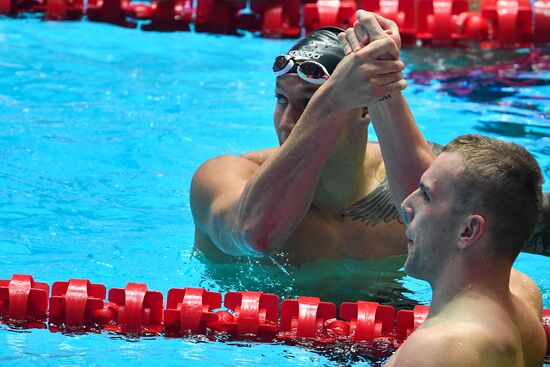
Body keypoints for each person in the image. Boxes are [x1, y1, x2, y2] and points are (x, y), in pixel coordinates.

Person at [190, 17, 549, 266]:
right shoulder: (223, 177)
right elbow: (256, 234)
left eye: (310, 102)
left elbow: (448, 219)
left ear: (366, 110)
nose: (287, 122)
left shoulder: (426, 180)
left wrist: (383, 79)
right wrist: (332, 99)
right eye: (282, 100)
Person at [337, 11, 547, 366]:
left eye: (426, 195)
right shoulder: (522, 297)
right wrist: (382, 81)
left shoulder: (442, 348)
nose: (406, 203)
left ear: (468, 230)